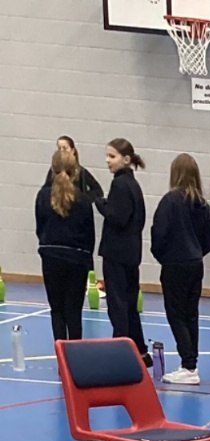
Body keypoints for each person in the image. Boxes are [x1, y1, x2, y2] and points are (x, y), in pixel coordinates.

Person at [150, 153, 210, 385]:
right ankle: (191, 363)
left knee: (176, 314)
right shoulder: (203, 205)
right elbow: (208, 242)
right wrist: (195, 254)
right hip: (195, 263)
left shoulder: (170, 201)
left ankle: (188, 365)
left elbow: (158, 233)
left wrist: (164, 257)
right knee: (190, 314)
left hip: (175, 264)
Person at [94, 138, 148, 365]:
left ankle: (121, 351)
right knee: (129, 303)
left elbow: (118, 217)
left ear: (126, 159)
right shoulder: (133, 184)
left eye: (112, 156)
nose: (108, 160)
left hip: (117, 253)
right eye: (107, 155)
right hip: (131, 253)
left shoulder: (120, 184)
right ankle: (139, 350)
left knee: (118, 305)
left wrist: (100, 203)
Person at [35, 151, 95, 343]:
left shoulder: (43, 196)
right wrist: (88, 261)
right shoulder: (83, 199)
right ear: (75, 171)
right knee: (74, 311)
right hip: (77, 258)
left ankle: (60, 354)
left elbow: (39, 227)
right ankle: (75, 354)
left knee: (57, 310)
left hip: (51, 255)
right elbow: (89, 234)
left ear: (52, 170)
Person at [45, 136, 102, 201]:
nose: (61, 151)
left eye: (64, 148)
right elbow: (45, 190)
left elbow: (98, 191)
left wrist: (84, 199)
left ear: (72, 151)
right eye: (59, 148)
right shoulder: (53, 170)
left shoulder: (81, 171)